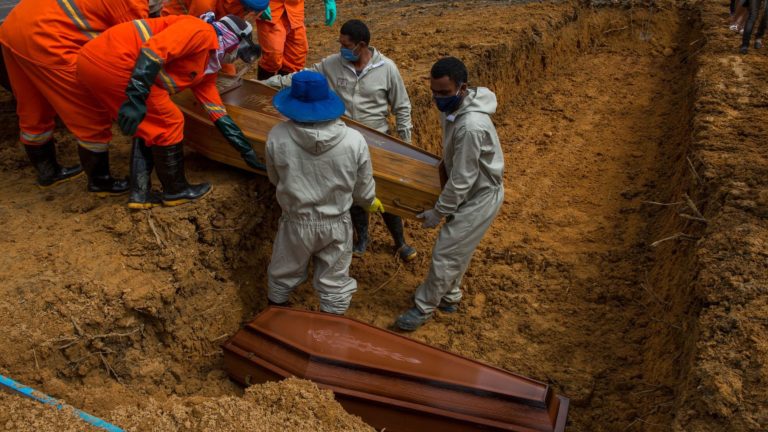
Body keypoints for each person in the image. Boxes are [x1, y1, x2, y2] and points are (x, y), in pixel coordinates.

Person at [263, 19, 416, 261]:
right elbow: (301, 78)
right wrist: (265, 84)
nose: (341, 48)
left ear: (361, 45)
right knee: (353, 191)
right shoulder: (333, 64)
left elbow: (402, 107)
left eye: (345, 44)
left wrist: (405, 144)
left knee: (383, 193)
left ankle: (400, 241)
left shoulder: (387, 69)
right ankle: (362, 237)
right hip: (343, 140)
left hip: (379, 140)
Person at [77, 14, 265, 208]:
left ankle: (139, 194)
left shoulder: (207, 66)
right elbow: (153, 52)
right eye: (237, 51)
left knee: (149, 125)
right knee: (170, 121)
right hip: (116, 61)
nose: (234, 58)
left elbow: (216, 111)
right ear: (233, 39)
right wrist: (136, 96)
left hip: (100, 61)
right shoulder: (201, 32)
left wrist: (246, 150)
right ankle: (176, 190)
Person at [395, 57, 505, 332]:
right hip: (469, 190)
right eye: (434, 92)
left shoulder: (471, 127)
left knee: (446, 251)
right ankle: (450, 297)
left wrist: (439, 211)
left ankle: (424, 307)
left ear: (462, 88)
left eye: (444, 93)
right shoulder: (455, 109)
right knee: (458, 249)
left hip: (480, 196)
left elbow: (463, 179)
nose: (437, 99)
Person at [0, 0, 149, 192]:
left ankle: (48, 172)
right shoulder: (132, 2)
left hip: (15, 26)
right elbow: (140, 46)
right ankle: (100, 182)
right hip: (46, 37)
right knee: (89, 111)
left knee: (34, 106)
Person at [265, 70, 382, 315]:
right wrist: (370, 201)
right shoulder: (354, 140)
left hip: (296, 220)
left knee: (282, 273)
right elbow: (363, 188)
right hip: (336, 222)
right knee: (335, 281)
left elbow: (275, 178)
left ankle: (275, 317)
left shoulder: (277, 135)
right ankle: (331, 329)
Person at [160, 0, 269, 75]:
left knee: (228, 74)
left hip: (213, 25)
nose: (248, 13)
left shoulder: (240, 6)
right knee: (189, 69)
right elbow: (197, 38)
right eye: (247, 9)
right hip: (179, 26)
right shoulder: (204, 4)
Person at [255, 0, 337, 80]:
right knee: (273, 55)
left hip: (294, 9)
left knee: (296, 56)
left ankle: (286, 89)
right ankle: (263, 90)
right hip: (271, 9)